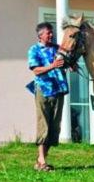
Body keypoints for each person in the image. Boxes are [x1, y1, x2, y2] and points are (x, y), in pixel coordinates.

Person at [26, 22, 68, 171]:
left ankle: (40, 159)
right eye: (48, 33)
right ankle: (42, 161)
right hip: (43, 91)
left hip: (59, 90)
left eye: (52, 32)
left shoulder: (57, 49)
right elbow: (36, 70)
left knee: (54, 127)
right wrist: (52, 66)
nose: (51, 35)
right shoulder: (34, 50)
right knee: (43, 124)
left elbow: (65, 63)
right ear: (40, 35)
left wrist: (71, 65)